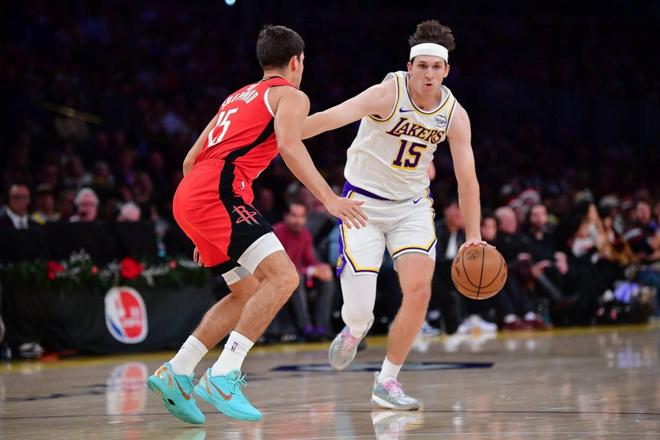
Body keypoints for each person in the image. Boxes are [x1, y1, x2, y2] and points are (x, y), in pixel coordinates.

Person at [147, 25, 366, 425]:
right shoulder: (291, 95)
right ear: (296, 61)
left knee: (245, 290)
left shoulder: (236, 97)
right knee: (284, 278)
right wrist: (329, 198)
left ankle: (177, 371)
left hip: (191, 194)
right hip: (219, 192)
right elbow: (289, 144)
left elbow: (190, 160)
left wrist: (204, 227)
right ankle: (224, 374)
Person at [304, 20, 486, 410]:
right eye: (422, 66)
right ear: (410, 67)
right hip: (362, 206)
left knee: (419, 291)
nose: (429, 74)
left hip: (411, 208)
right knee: (360, 313)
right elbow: (330, 118)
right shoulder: (386, 94)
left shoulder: (454, 115)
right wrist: (284, 133)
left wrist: (473, 234)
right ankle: (354, 331)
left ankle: (387, 380)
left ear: (446, 71)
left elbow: (467, 180)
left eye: (436, 67)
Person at [273, 199, 336, 340]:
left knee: (327, 279)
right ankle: (305, 327)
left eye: (301, 216)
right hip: (278, 278)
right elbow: (279, 266)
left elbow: (310, 260)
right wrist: (307, 271)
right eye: (294, 216)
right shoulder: (277, 233)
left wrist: (321, 268)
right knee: (297, 278)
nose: (298, 221)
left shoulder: (304, 234)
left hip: (298, 275)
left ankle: (322, 327)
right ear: (285, 216)